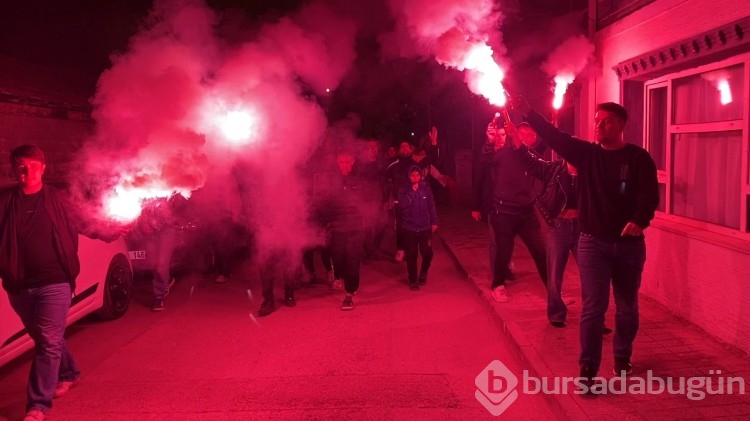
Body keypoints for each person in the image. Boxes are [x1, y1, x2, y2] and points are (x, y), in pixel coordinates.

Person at [510, 97, 659, 386]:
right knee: (594, 306)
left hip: (628, 246)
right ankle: (588, 368)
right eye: (596, 121)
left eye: (606, 121)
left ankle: (622, 355)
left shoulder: (638, 158)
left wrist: (640, 220)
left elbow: (649, 196)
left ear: (621, 125)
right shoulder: (587, 155)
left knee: (627, 306)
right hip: (593, 243)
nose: (599, 126)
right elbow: (554, 136)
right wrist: (526, 108)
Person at [0, 145, 116, 421]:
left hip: (55, 282)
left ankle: (38, 405)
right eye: (21, 167)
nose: (27, 172)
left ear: (43, 168)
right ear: (14, 169)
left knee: (48, 342)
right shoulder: (4, 204)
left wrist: (110, 230)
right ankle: (69, 372)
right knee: (45, 337)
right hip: (19, 286)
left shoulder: (58, 199)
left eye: (32, 166)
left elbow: (85, 222)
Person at [473, 117, 548, 303]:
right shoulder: (504, 153)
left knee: (541, 252)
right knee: (503, 251)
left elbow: (548, 140)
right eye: (520, 133)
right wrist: (489, 141)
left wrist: (551, 122)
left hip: (526, 212)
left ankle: (553, 289)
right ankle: (498, 285)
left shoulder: (533, 155)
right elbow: (485, 161)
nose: (524, 137)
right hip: (503, 213)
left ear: (533, 138)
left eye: (529, 134)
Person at [315, 149, 367, 310]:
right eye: (341, 162)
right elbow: (324, 205)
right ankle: (341, 277)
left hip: (355, 228)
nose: (344, 165)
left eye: (347, 162)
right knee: (339, 260)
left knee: (353, 260)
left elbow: (367, 202)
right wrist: (323, 216)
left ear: (352, 163)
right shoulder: (332, 181)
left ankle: (349, 293)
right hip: (337, 228)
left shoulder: (359, 181)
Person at [397, 166, 438, 290]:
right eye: (412, 175)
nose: (415, 177)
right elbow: (402, 205)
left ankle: (424, 272)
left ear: (420, 176)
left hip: (425, 227)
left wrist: (434, 221)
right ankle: (413, 279)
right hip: (409, 228)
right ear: (409, 176)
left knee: (428, 253)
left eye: (417, 175)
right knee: (412, 255)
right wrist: (412, 193)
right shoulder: (403, 189)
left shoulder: (426, 189)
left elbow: (431, 206)